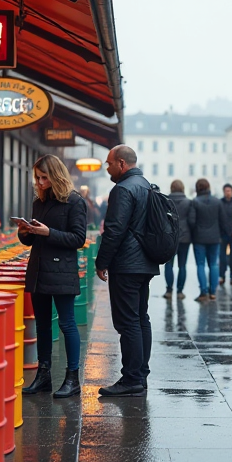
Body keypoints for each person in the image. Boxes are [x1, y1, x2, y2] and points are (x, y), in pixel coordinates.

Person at [19, 155, 87, 399]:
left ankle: (72, 378)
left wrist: (49, 232)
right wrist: (25, 232)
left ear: (56, 175)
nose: (39, 182)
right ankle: (43, 375)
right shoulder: (40, 201)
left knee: (67, 323)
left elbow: (78, 239)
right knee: (42, 324)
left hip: (62, 270)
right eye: (37, 177)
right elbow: (32, 239)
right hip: (38, 269)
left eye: (44, 177)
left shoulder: (75, 202)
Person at [94, 145, 159, 397]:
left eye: (109, 163)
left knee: (128, 321)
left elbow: (114, 231)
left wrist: (101, 262)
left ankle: (131, 378)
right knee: (141, 318)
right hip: (145, 262)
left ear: (121, 163)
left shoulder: (122, 189)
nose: (107, 167)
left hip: (127, 264)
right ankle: (140, 374)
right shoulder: (146, 185)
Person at [187, 178, 223, 302]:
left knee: (201, 265)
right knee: (213, 264)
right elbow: (223, 220)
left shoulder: (195, 202)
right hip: (214, 238)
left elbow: (191, 221)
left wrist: (195, 230)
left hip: (199, 238)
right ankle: (213, 292)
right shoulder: (217, 202)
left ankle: (203, 292)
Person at [163, 179, 192, 300]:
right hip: (185, 237)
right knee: (182, 265)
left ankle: (169, 290)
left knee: (169, 264)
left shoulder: (165, 201)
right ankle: (180, 291)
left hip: (169, 237)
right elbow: (191, 220)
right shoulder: (189, 202)